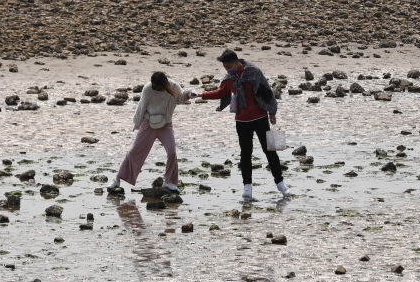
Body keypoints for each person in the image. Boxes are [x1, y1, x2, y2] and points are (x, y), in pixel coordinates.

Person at [198, 49, 291, 199]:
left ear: (236, 62)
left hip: (260, 118)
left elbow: (266, 90)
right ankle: (247, 188)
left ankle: (281, 185)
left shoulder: (253, 72)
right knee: (245, 154)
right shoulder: (229, 78)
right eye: (225, 68)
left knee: (270, 151)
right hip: (242, 121)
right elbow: (220, 92)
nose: (227, 70)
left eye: (229, 66)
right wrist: (201, 95)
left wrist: (272, 112)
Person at [108, 71, 192, 192]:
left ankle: (169, 182)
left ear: (164, 84)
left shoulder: (173, 86)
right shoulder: (148, 88)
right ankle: (117, 180)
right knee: (134, 152)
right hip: (148, 124)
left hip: (166, 125)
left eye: (158, 87)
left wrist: (189, 94)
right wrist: (137, 124)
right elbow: (141, 106)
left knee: (172, 152)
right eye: (154, 86)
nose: (155, 89)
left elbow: (180, 99)